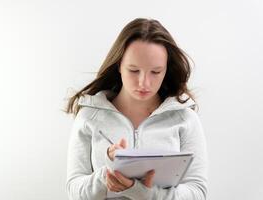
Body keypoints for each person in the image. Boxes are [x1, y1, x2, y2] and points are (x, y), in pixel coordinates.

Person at [65, 18, 208, 200]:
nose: (144, 83)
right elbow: (73, 192)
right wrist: (108, 173)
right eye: (133, 70)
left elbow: (197, 193)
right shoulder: (89, 116)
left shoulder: (185, 118)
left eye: (156, 72)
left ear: (166, 70)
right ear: (119, 65)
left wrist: (142, 192)